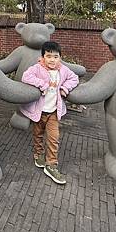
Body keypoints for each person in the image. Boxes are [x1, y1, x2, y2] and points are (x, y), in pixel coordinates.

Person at [20, 41, 79, 185]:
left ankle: (51, 165)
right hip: (39, 111)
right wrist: (43, 85)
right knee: (38, 134)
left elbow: (74, 78)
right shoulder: (37, 68)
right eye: (49, 56)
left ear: (60, 58)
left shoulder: (63, 70)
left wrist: (65, 88)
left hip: (53, 111)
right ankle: (38, 154)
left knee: (54, 138)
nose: (52, 60)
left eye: (56, 57)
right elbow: (26, 77)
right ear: (43, 57)